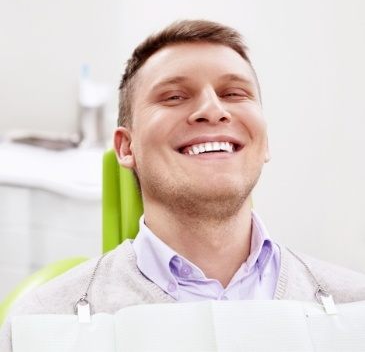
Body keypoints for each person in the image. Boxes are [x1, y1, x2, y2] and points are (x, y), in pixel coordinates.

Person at [1, 19, 365, 351]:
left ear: (264, 140)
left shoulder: (355, 304)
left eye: (235, 93)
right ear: (127, 147)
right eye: (174, 96)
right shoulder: (43, 322)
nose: (212, 109)